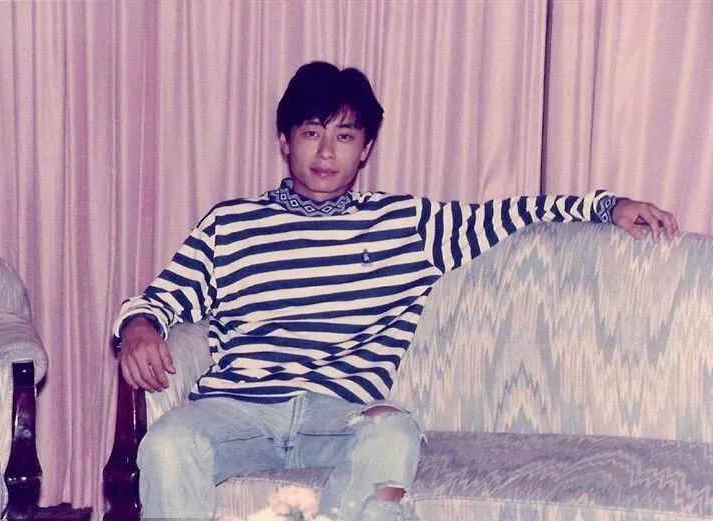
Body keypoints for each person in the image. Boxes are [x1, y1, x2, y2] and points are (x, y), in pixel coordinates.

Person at [112, 61, 679, 521]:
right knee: (166, 442)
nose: (327, 152)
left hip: (340, 418)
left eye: (344, 136)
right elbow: (159, 299)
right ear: (285, 141)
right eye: (311, 133)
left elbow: (512, 213)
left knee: (394, 431)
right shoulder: (232, 224)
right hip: (239, 412)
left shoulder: (405, 225)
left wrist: (606, 207)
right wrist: (138, 327)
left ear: (365, 148)